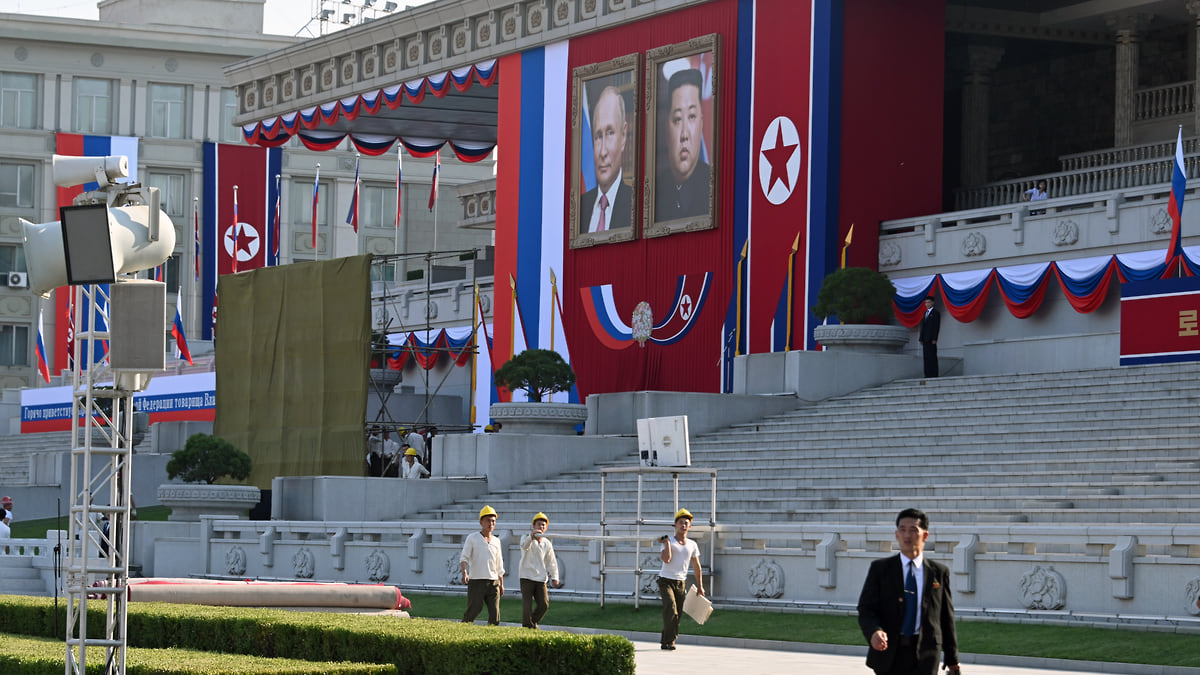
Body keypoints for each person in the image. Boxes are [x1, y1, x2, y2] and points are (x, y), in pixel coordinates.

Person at [857, 508, 961, 675]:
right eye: (902, 530)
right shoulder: (881, 569)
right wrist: (874, 631)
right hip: (890, 653)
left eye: (913, 530)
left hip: (926, 655)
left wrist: (952, 659)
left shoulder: (939, 572)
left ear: (925, 535)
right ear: (896, 534)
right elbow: (866, 609)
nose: (907, 536)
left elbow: (946, 617)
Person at [655, 68, 711, 222]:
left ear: (701, 123)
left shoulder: (715, 185)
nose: (684, 134)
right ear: (667, 128)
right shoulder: (656, 190)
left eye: (692, 116)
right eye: (678, 119)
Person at [580, 85, 633, 233]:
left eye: (610, 133)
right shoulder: (580, 207)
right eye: (598, 136)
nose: (603, 151)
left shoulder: (636, 205)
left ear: (623, 136)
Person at [656, 507, 704, 650]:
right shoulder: (668, 540)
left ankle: (666, 640)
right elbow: (667, 559)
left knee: (678, 614)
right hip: (666, 580)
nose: (683, 525)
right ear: (675, 525)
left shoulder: (692, 545)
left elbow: (697, 566)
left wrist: (700, 586)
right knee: (670, 609)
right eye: (681, 522)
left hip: (681, 582)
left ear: (689, 526)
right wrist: (667, 545)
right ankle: (670, 641)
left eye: (686, 523)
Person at [459, 504, 505, 625]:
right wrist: (464, 572)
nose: (491, 524)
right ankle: (463, 630)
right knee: (474, 609)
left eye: (493, 521)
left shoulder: (497, 541)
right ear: (481, 522)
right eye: (488, 521)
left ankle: (491, 637)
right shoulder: (472, 538)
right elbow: (464, 557)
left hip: (494, 582)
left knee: (495, 614)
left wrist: (501, 583)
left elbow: (499, 564)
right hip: (477, 581)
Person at [519, 511, 561, 629]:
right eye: (538, 524)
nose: (541, 527)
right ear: (534, 526)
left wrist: (555, 577)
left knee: (544, 604)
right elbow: (523, 546)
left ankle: (530, 624)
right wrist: (531, 537)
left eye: (543, 525)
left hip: (541, 578)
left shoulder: (547, 543)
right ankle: (528, 625)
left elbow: (551, 561)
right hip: (526, 576)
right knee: (527, 606)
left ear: (546, 527)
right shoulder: (526, 538)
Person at [918, 296, 940, 378]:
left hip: (931, 339)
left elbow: (936, 326)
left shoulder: (935, 313)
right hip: (925, 339)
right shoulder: (925, 313)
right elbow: (923, 327)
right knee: (926, 357)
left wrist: (935, 338)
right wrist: (921, 338)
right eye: (926, 302)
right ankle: (927, 374)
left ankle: (934, 374)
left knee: (932, 357)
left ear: (932, 303)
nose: (927, 304)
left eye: (928, 302)